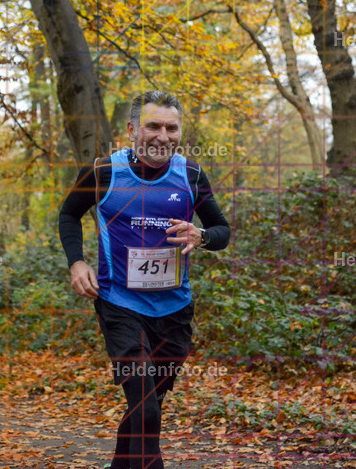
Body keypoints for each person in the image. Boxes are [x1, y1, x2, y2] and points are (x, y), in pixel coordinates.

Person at [58, 90, 231, 469]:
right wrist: (77, 263)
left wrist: (201, 236)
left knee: (147, 406)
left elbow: (222, 230)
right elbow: (69, 215)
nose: (162, 136)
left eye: (172, 128)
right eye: (153, 126)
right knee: (146, 409)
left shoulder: (191, 175)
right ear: (132, 129)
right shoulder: (103, 173)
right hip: (120, 306)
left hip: (174, 311)